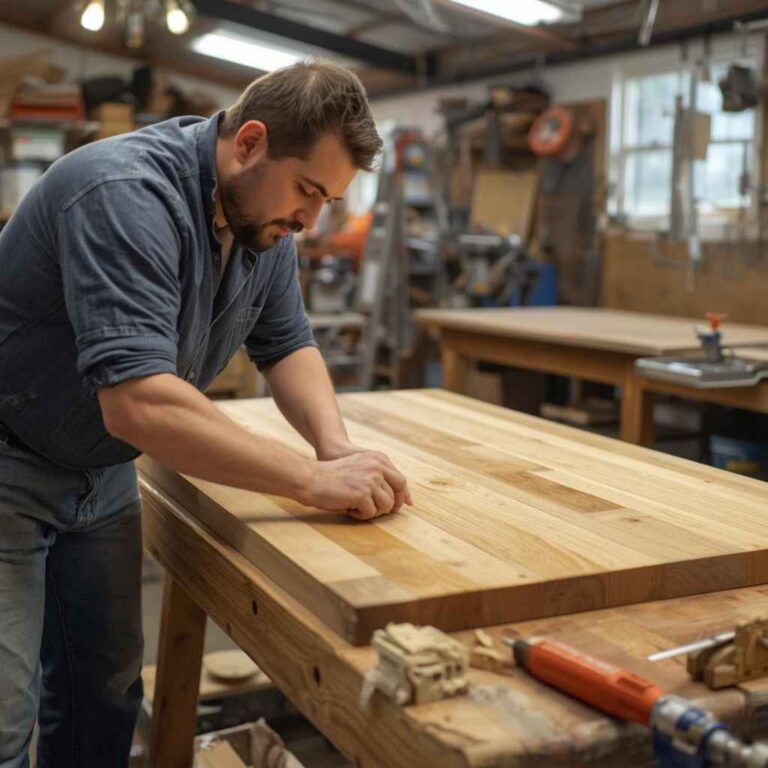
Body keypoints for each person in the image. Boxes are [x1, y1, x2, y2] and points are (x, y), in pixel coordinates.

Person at [0, 59, 412, 768]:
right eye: (308, 191)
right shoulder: (125, 194)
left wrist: (334, 448)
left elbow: (288, 345)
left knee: (103, 693)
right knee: (6, 713)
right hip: (9, 460)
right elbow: (139, 403)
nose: (311, 221)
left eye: (328, 203)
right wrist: (308, 481)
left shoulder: (261, 221)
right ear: (249, 142)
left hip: (98, 474)